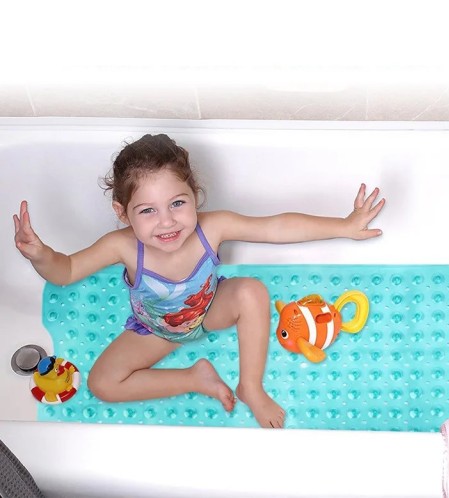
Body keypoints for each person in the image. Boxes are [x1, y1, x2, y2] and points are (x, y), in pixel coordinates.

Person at [13, 134, 385, 429]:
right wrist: (41, 255)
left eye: (177, 203)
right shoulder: (122, 246)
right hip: (155, 330)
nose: (167, 222)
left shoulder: (212, 227)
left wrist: (344, 226)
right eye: (148, 211)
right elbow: (67, 271)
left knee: (252, 291)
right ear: (122, 213)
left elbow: (276, 226)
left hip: (209, 311)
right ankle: (195, 378)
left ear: (195, 195)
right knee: (102, 384)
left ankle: (250, 386)